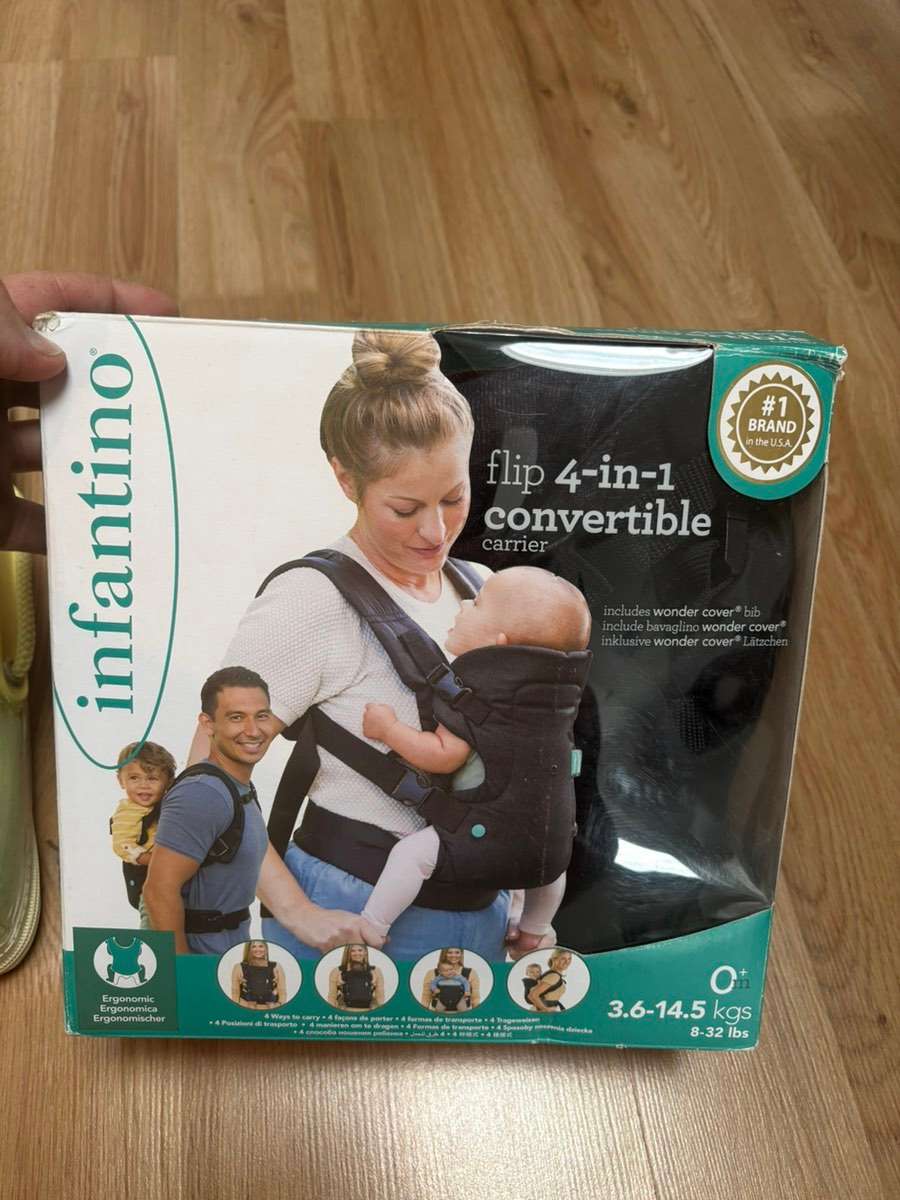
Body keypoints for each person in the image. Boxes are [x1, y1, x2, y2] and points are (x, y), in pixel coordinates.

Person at [212, 329, 515, 961]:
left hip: (480, 914)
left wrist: (515, 903)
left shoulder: (482, 589)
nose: (435, 531)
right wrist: (296, 911)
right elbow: (209, 777)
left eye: (454, 497)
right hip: (351, 901)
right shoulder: (310, 600)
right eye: (405, 508)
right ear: (346, 480)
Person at [359, 565, 591, 950]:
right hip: (548, 844)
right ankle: (533, 929)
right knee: (548, 868)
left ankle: (373, 925)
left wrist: (388, 730)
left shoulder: (483, 699)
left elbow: (443, 756)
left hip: (484, 834)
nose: (464, 604)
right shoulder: (553, 705)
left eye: (477, 604)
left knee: (412, 855)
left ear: (498, 645)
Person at [143, 667, 278, 954]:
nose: (253, 730)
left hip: (228, 953)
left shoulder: (238, 787)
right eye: (236, 717)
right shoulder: (203, 793)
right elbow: (159, 891)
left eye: (261, 716)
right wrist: (183, 972)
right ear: (208, 724)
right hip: (201, 958)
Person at [109, 741, 177, 917]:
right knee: (154, 921)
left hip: (168, 880)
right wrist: (154, 860)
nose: (143, 785)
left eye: (152, 778)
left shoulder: (168, 805)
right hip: (146, 882)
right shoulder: (127, 812)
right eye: (134, 778)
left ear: (169, 781)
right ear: (121, 781)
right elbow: (123, 845)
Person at [327, 944, 385, 1011]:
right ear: (347, 953)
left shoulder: (375, 971)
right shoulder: (337, 972)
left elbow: (380, 996)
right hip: (345, 1011)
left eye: (360, 950)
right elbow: (332, 997)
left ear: (365, 952)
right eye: (352, 951)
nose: (357, 953)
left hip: (368, 1011)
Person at [231, 940, 285, 1009]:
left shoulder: (276, 967)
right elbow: (235, 992)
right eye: (254, 946)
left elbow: (282, 991)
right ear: (248, 949)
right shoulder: (238, 967)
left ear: (266, 948)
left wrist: (278, 1006)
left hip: (270, 1007)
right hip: (247, 1007)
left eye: (261, 946)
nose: (258, 949)